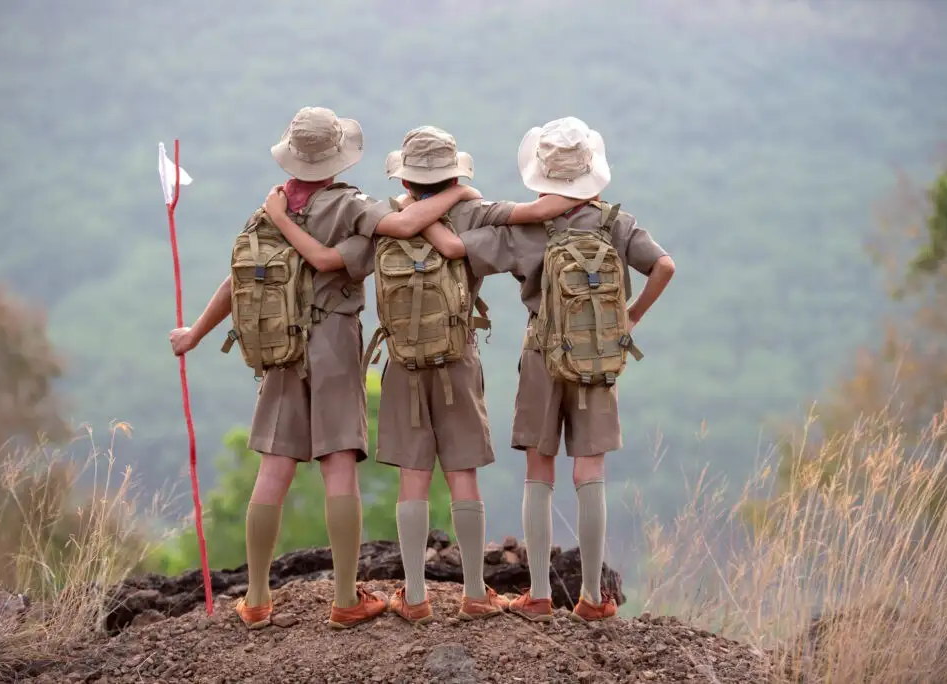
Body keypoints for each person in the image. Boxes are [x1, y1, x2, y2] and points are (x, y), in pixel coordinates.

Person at [168, 107, 481, 631]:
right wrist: (457, 193)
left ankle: (258, 599)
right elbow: (404, 224)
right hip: (334, 341)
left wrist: (195, 333)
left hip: (279, 351)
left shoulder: (267, 209)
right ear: (338, 158)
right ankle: (343, 598)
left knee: (274, 469)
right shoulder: (351, 205)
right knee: (338, 464)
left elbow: (238, 281)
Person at [260, 125, 580, 624]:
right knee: (462, 473)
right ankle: (475, 592)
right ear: (453, 172)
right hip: (458, 361)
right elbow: (538, 213)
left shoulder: (386, 217)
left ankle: (413, 598)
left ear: (406, 180)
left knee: (413, 477)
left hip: (402, 365)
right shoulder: (476, 211)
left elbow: (333, 263)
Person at [417, 116, 676, 623]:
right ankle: (593, 600)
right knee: (591, 469)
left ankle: (537, 594)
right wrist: (631, 316)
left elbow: (451, 249)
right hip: (597, 356)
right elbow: (664, 265)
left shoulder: (526, 228)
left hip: (540, 351)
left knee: (540, 467)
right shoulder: (614, 222)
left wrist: (416, 212)